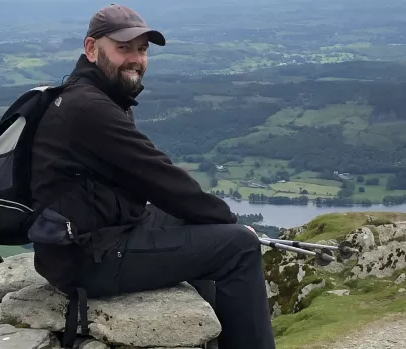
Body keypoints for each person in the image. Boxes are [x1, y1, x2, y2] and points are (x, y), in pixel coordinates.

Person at [28, 4, 275, 349]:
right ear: (91, 48)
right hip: (87, 258)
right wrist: (232, 221)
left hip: (89, 238)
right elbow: (158, 176)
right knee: (241, 247)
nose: (136, 58)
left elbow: (150, 181)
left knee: (199, 223)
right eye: (123, 48)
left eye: (142, 50)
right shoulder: (89, 108)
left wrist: (212, 220)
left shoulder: (94, 96)